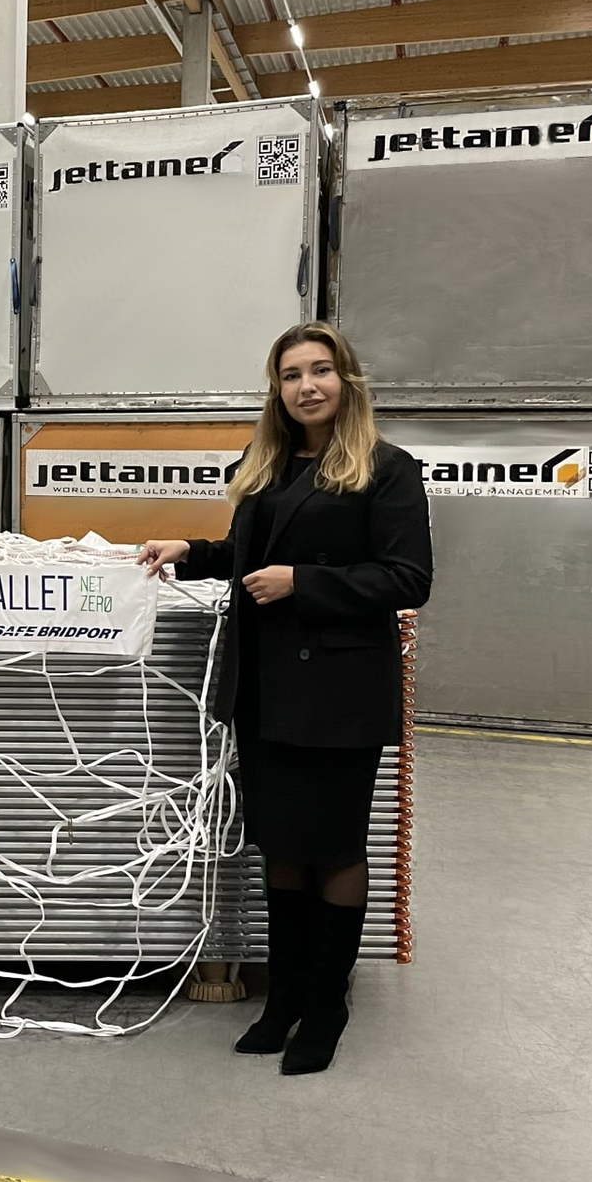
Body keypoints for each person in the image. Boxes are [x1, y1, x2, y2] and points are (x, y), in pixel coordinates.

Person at [138, 322, 431, 1075]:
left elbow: (408, 578)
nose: (307, 386)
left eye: (320, 370)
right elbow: (250, 558)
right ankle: (286, 996)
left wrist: (304, 582)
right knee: (281, 848)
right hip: (266, 687)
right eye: (291, 374)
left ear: (347, 380)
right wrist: (191, 552)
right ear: (276, 389)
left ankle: (326, 1006)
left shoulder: (387, 468)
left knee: (334, 849)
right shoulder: (264, 463)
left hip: (337, 692)